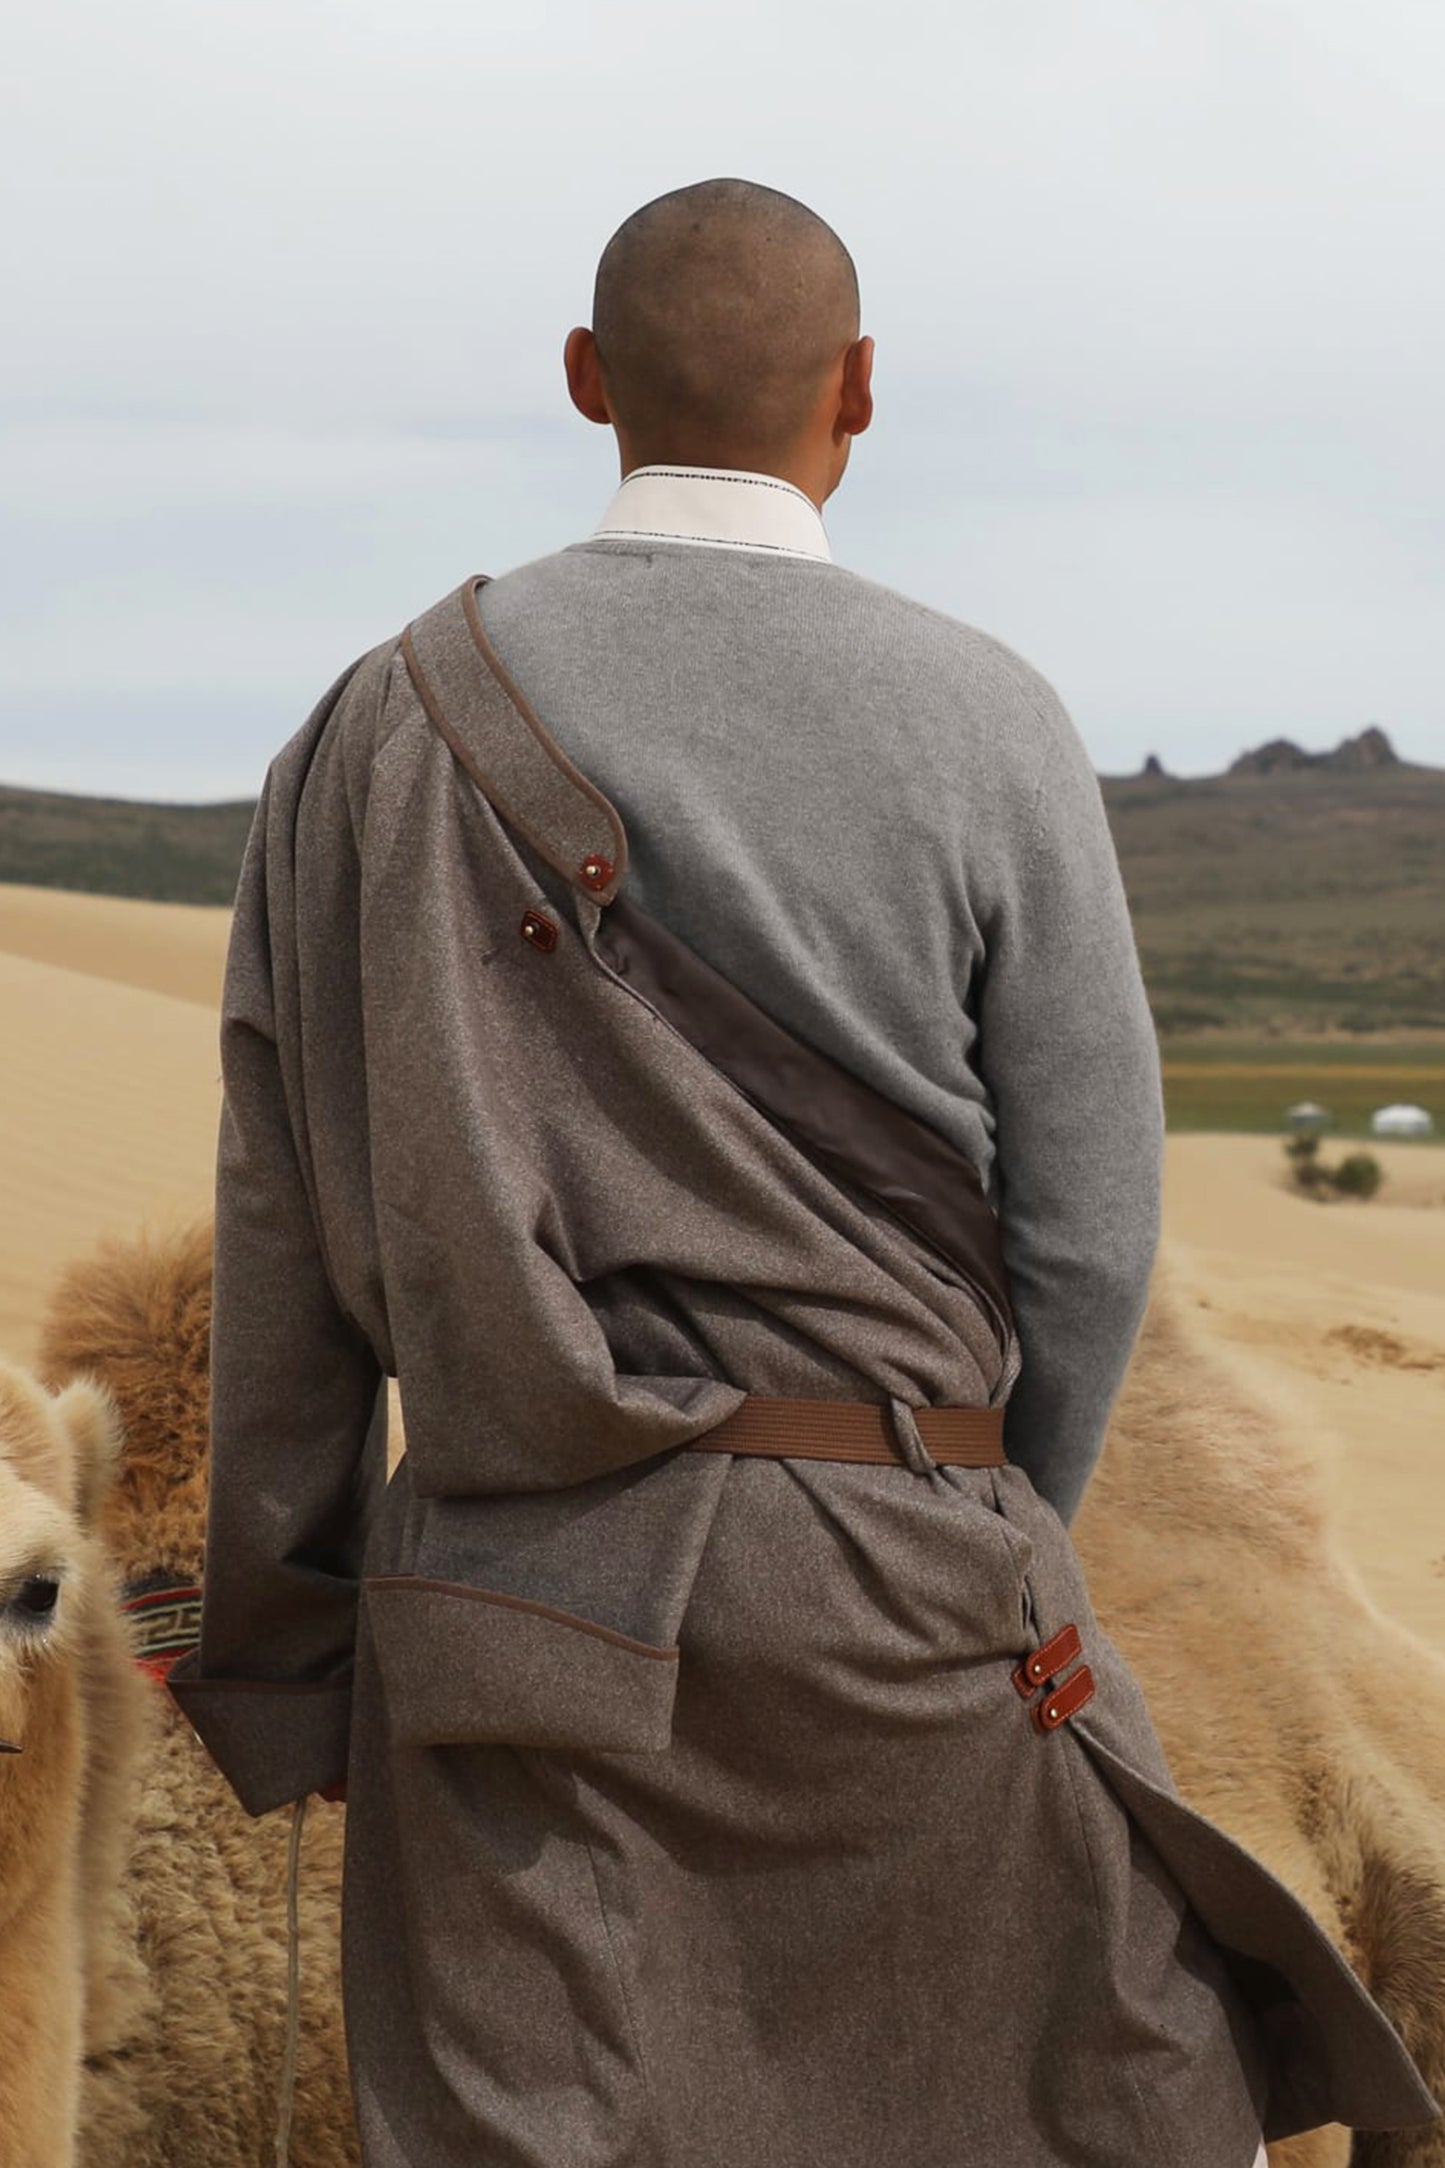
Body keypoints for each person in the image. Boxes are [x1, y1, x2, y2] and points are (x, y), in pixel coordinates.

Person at [168, 179, 1436, 2167]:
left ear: (586, 383)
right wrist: (984, 1524)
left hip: (516, 1623)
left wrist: (288, 1657)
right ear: (863, 390)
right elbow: (1092, 1234)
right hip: (922, 1596)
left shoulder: (369, 731)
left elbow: (288, 1241)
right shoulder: (992, 716)